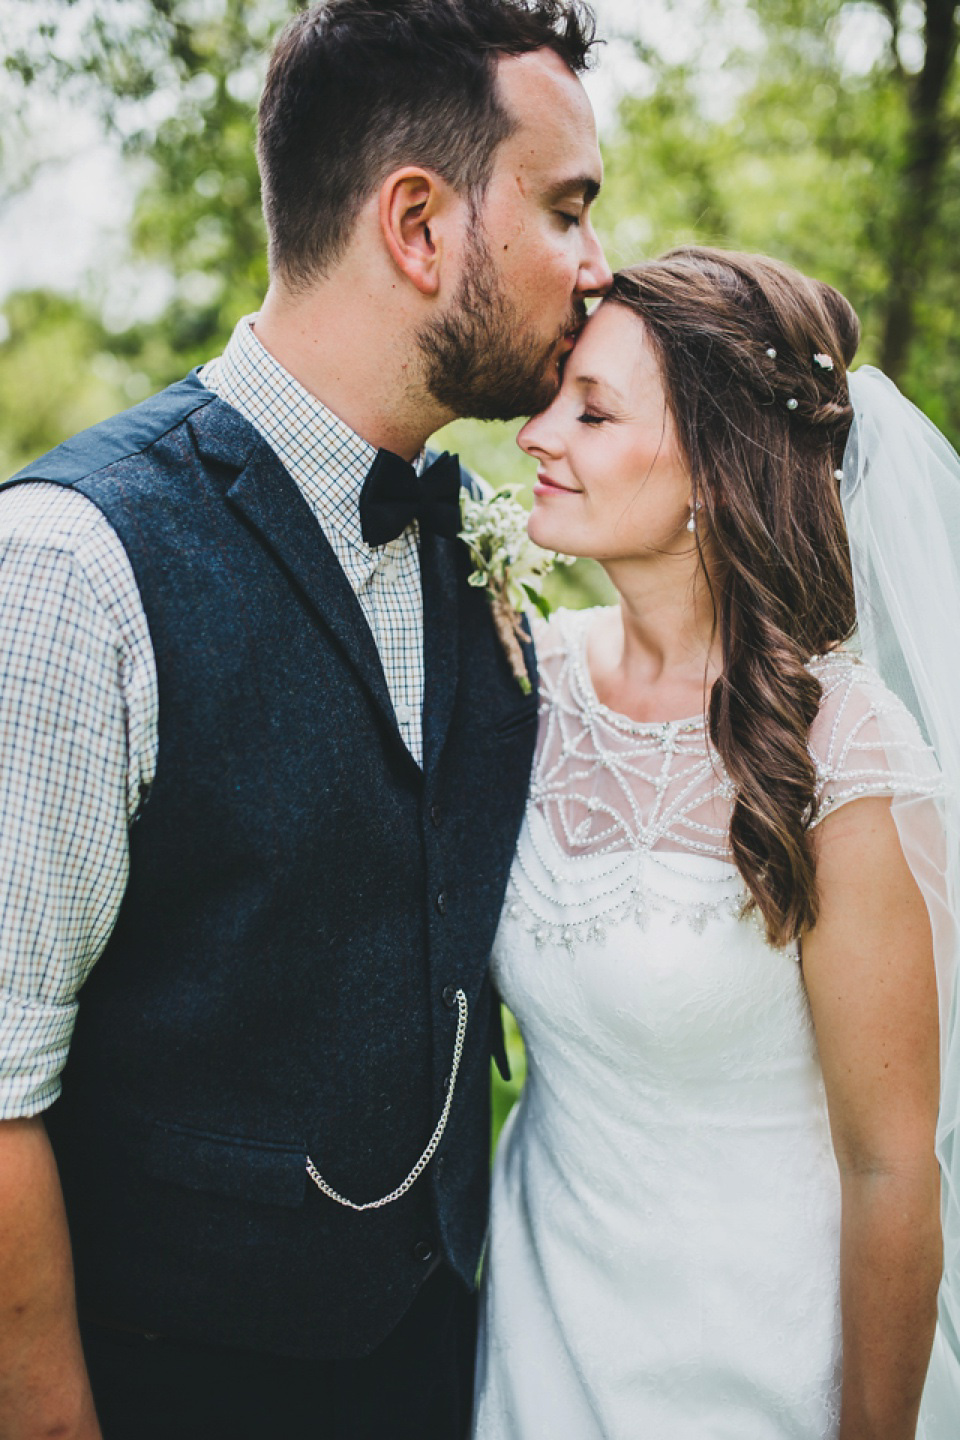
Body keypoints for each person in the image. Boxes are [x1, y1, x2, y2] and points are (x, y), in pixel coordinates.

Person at [0, 3, 612, 1437]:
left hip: (454, 1363)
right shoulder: (68, 566)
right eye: (570, 209)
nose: (599, 265)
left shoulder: (478, 537)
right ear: (418, 225)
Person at [473, 247, 960, 1439]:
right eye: (556, 397)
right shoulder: (528, 679)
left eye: (592, 411)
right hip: (541, 1342)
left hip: (762, 1366)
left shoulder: (841, 753)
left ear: (714, 468)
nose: (539, 434)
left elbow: (895, 1172)